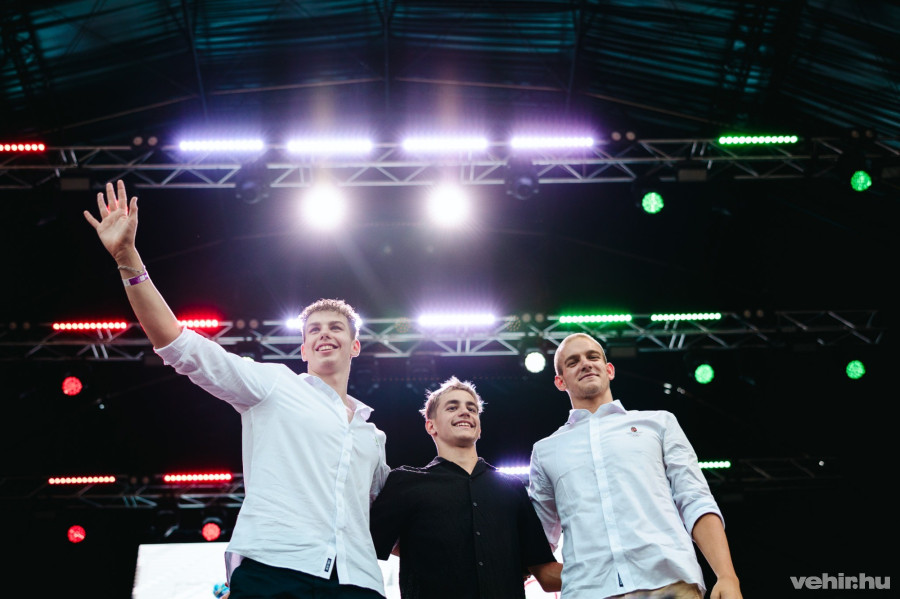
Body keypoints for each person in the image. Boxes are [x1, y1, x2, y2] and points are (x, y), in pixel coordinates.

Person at [85, 180, 390, 599]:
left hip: (359, 582)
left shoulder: (373, 436)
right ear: (303, 349)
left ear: (354, 346)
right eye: (314, 330)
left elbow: (391, 519)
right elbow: (179, 344)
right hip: (275, 569)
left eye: (336, 328)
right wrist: (127, 259)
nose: (325, 334)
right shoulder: (274, 385)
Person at [527, 333, 742, 599]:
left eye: (593, 357)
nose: (585, 363)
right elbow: (537, 543)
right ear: (560, 382)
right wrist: (583, 575)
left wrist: (726, 575)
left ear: (609, 370)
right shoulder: (545, 451)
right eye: (573, 362)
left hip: (670, 585)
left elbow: (695, 500)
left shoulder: (660, 423)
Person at [370, 376, 562, 598]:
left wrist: (598, 573)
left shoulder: (513, 488)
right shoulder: (404, 482)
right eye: (452, 407)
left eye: (472, 409)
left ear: (479, 428)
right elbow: (365, 544)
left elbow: (544, 572)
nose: (465, 412)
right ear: (431, 425)